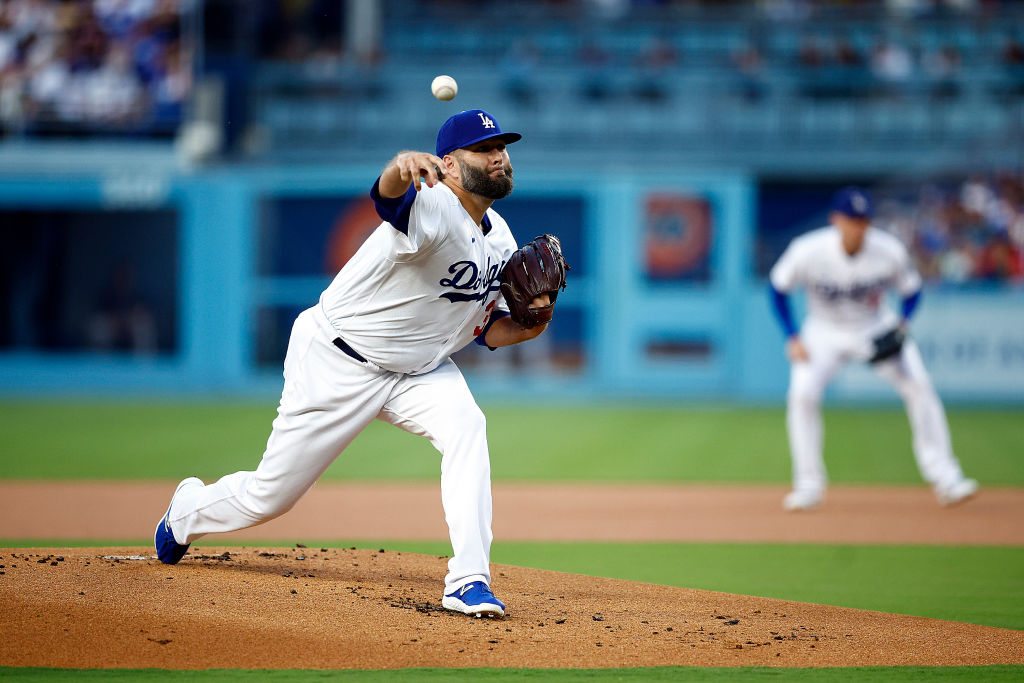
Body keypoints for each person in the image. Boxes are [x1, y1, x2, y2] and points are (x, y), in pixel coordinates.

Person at [155, 109, 556, 618]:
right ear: (450, 165)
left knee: (467, 429)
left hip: (420, 369)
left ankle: (469, 581)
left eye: (502, 147)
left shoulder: (498, 236)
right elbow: (388, 199)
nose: (499, 156)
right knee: (271, 497)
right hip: (340, 360)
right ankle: (188, 510)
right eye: (484, 149)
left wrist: (531, 326)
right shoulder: (431, 205)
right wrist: (399, 166)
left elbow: (486, 330)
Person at [768, 186, 978, 512]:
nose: (858, 226)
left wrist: (904, 323)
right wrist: (791, 336)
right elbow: (778, 287)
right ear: (835, 220)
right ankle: (808, 485)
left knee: (919, 385)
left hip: (874, 325)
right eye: (851, 219)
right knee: (802, 394)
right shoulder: (807, 250)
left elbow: (912, 291)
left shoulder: (888, 249)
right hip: (823, 331)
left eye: (864, 219)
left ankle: (947, 477)